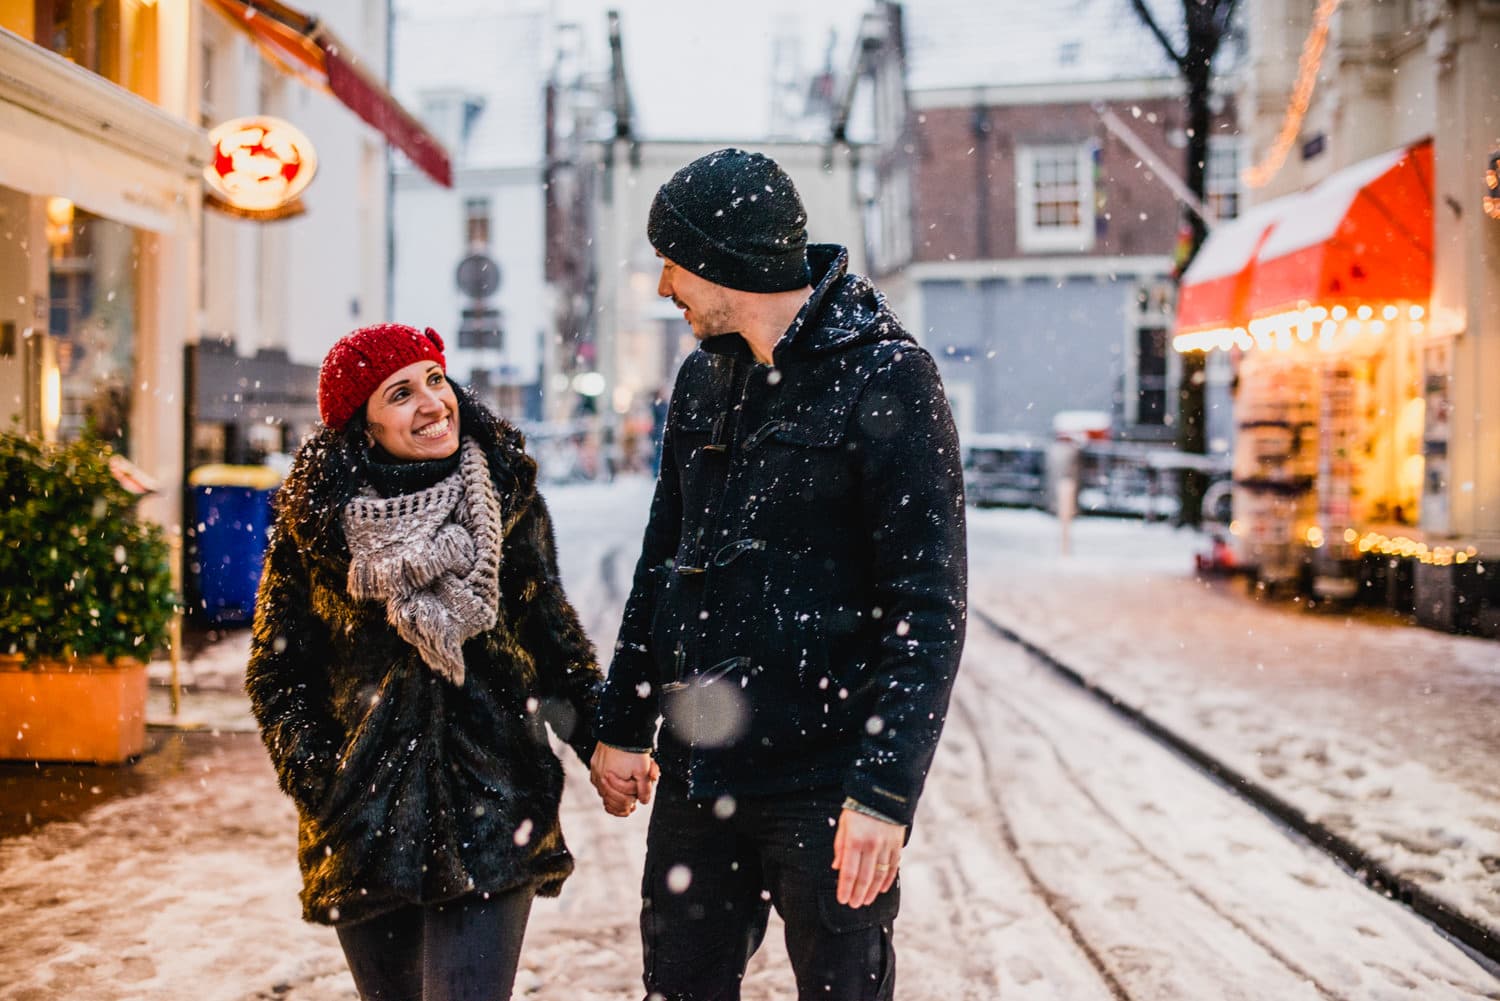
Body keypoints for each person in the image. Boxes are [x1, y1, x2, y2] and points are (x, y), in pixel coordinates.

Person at [589, 149, 968, 1001]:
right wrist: (625, 721)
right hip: (697, 777)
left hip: (826, 786)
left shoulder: (890, 376)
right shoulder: (700, 378)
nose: (663, 287)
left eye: (673, 263)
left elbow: (929, 608)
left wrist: (883, 792)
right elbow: (663, 562)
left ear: (726, 262)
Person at [246, 323, 601, 1001]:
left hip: (495, 809)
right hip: (365, 827)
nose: (432, 403)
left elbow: (553, 640)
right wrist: (324, 780)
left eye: (435, 379)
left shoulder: (503, 497)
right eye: (400, 393)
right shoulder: (316, 525)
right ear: (363, 424)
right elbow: (278, 669)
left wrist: (604, 740)